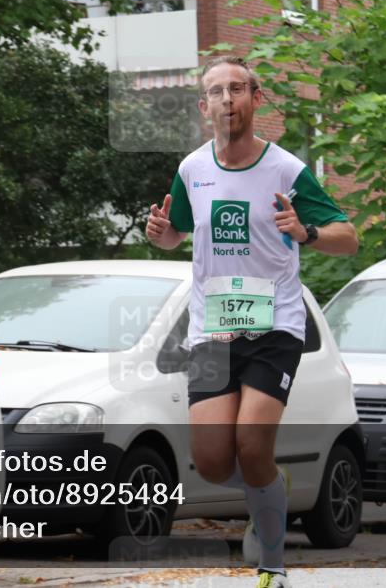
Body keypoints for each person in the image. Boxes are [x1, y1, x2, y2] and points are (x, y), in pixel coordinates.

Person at [145, 56, 359, 588]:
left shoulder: (286, 171)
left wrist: (306, 232)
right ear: (204, 106)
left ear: (255, 99)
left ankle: (272, 566)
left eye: (237, 89)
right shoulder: (192, 170)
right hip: (212, 331)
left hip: (275, 326)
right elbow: (176, 233)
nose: (227, 99)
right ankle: (270, 486)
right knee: (212, 461)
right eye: (216, 92)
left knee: (252, 443)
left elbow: (348, 238)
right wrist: (162, 235)